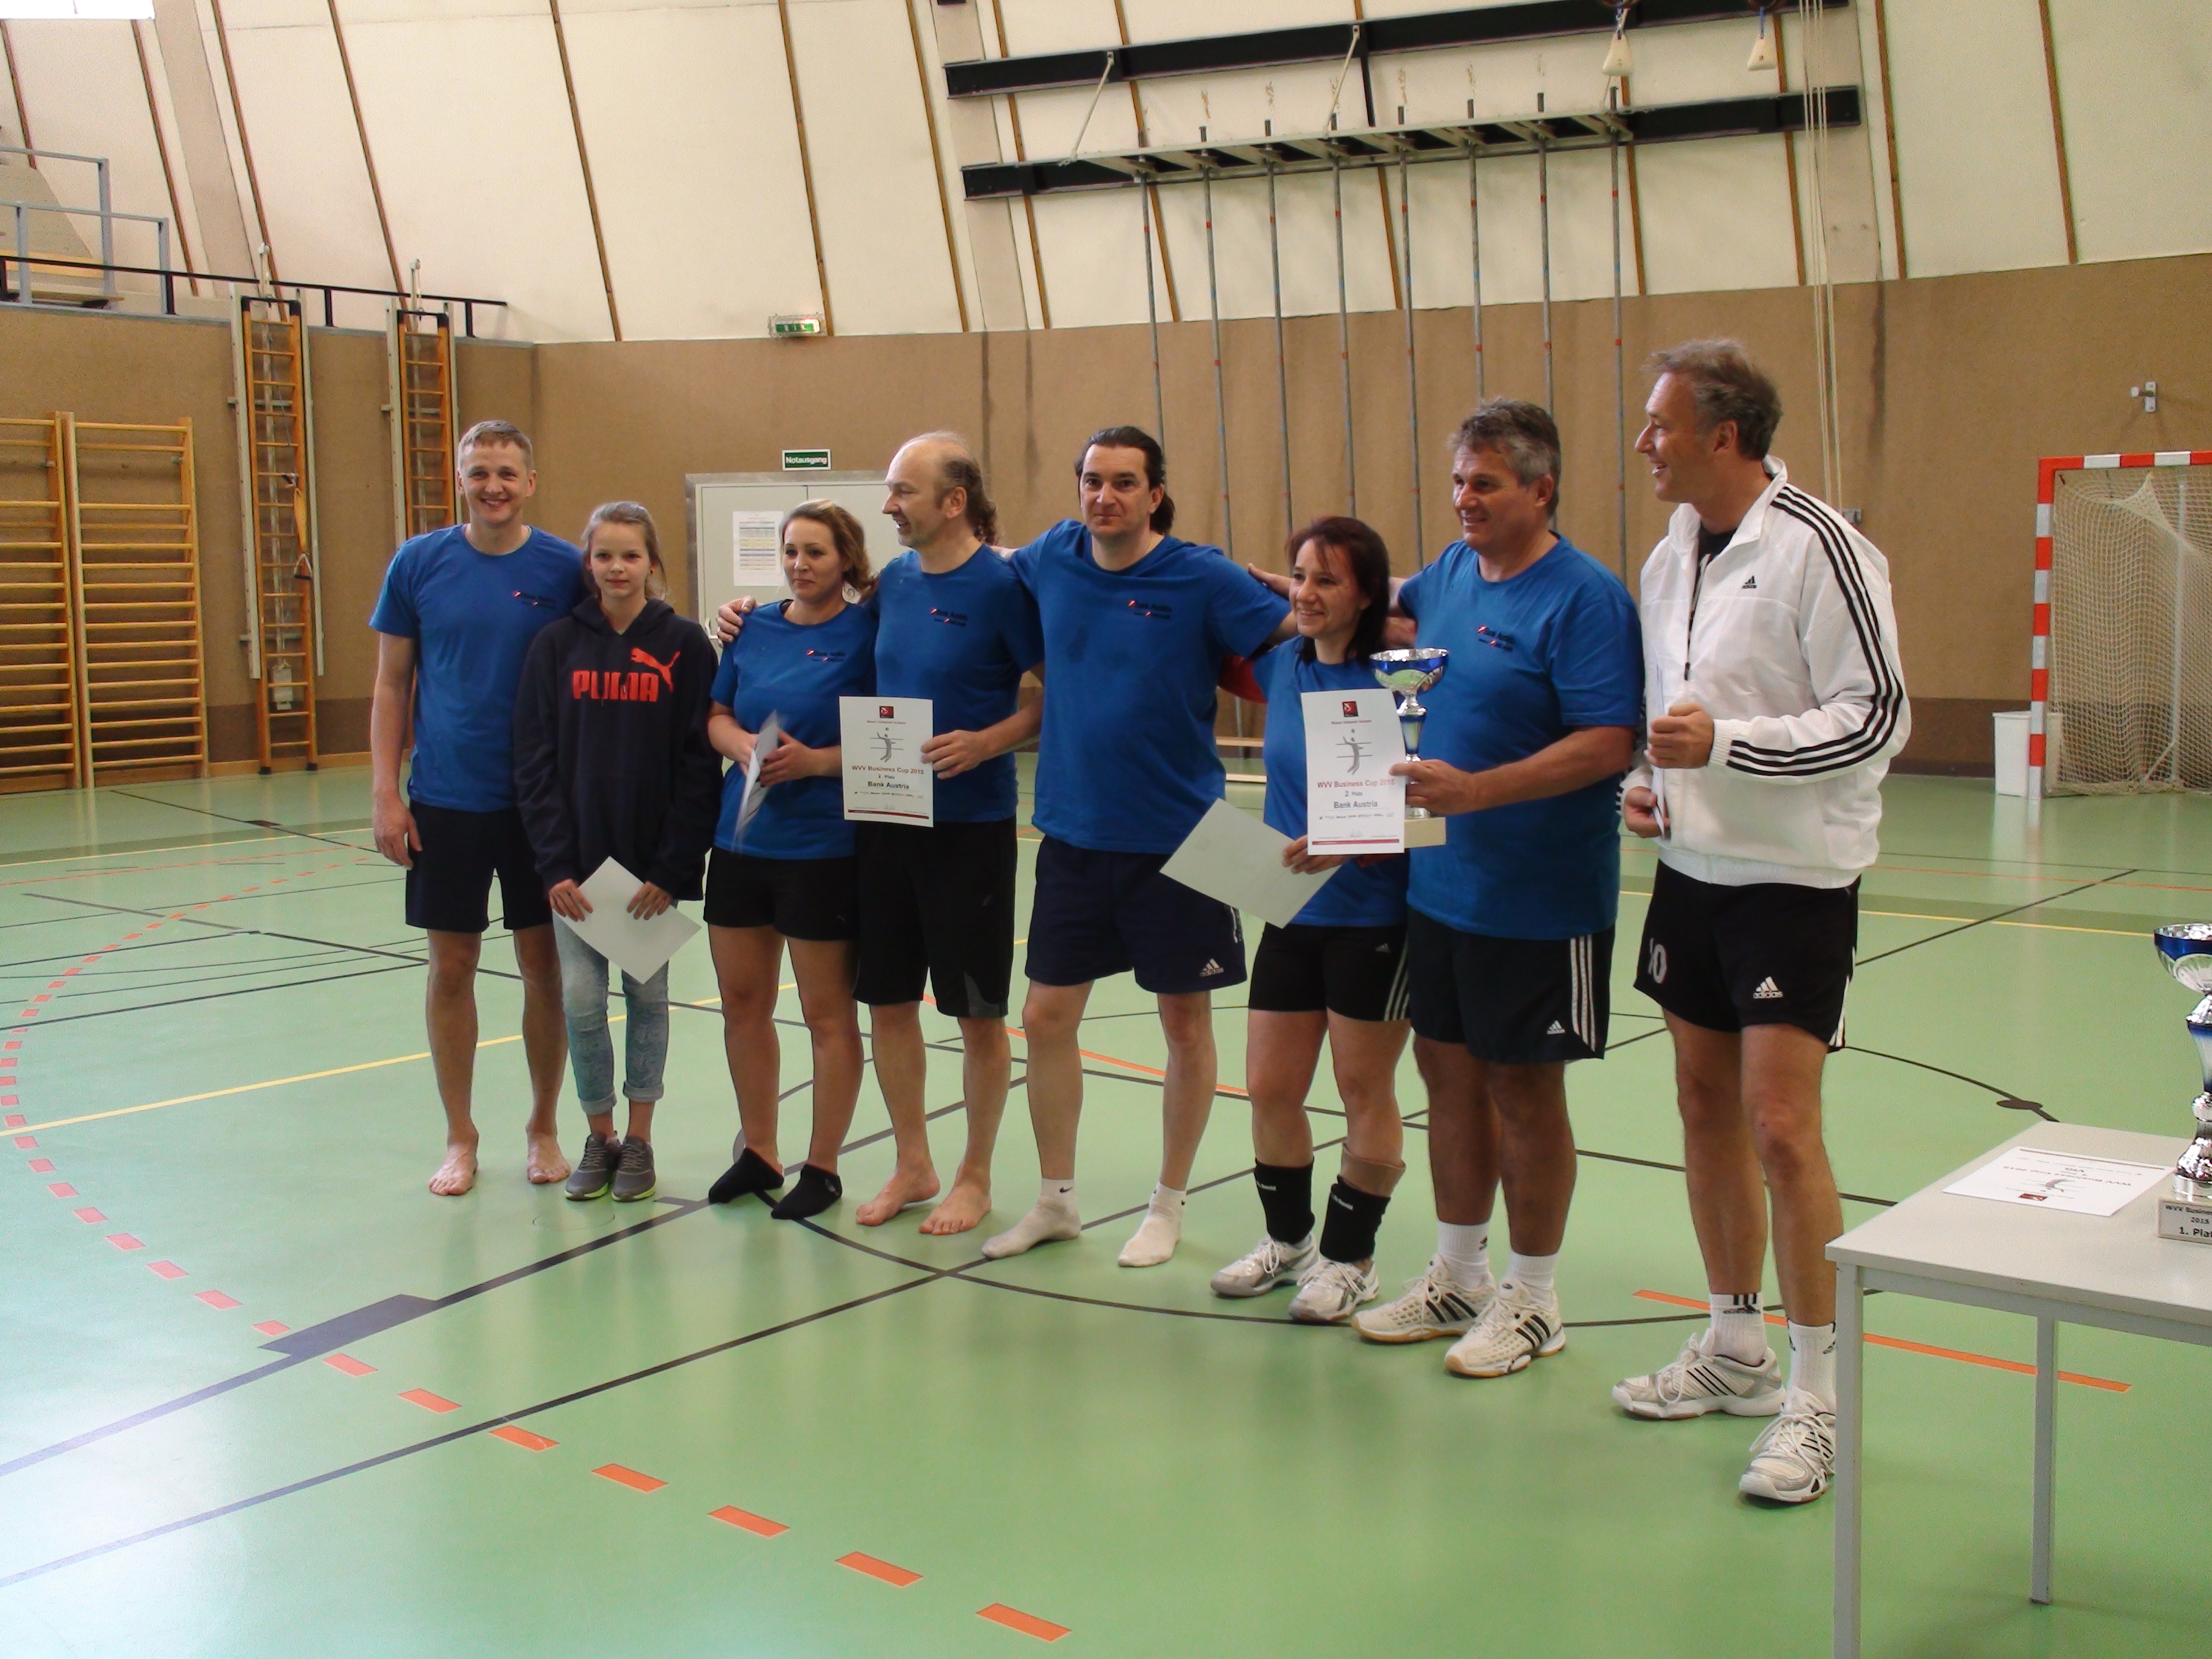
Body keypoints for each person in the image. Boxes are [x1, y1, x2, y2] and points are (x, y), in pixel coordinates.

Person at [1611, 341, 1908, 1505]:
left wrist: (1727, 749)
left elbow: (1876, 715)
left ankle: (1817, 1399)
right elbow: (1672, 713)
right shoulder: (1667, 556)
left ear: (1723, 435)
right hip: (1690, 873)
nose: (1645, 442)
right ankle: (1734, 1346)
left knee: (1780, 1128)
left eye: (1660, 424)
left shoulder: (1823, 548)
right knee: (1702, 1108)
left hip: (1793, 882)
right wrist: (1652, 786)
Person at [1349, 400, 1641, 1379]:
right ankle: (1459, 1273)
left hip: (1541, 899)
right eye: (1459, 481)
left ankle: (1534, 1297)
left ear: (1541, 490)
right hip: (1442, 888)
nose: (1465, 499)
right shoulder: (1447, 577)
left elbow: (1608, 742)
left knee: (1525, 1088)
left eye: (1486, 483)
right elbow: (1384, 612)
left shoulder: (1585, 599)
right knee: (1446, 1076)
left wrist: (1477, 791)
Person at [983, 427, 1293, 1267]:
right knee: (1045, 1017)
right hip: (1073, 835)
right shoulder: (1054, 556)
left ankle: (1168, 1204)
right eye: (1092, 481)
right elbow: (979, 563)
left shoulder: (1202, 575)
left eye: (1124, 482)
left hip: (1183, 838)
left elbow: (1301, 637)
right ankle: (1055, 1201)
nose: (1105, 496)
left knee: (1184, 1024)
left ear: (1155, 494)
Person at [369, 420, 583, 1197]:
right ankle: (460, 1136)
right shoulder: (418, 563)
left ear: (530, 482)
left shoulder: (566, 568)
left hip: (540, 806)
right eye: (479, 472)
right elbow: (393, 683)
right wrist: (386, 791)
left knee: (544, 968)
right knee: (451, 966)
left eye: (507, 473)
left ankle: (543, 1126)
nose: (493, 486)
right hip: (446, 800)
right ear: (460, 479)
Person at [1208, 517, 1412, 1323]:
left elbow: (1433, 808)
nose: (1307, 593)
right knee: (1269, 1086)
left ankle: (1350, 1258)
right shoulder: (1279, 666)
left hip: (1374, 914)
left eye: (1328, 580)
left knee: (1362, 1088)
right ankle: (1287, 1241)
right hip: (1291, 910)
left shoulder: (1401, 679)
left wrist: (1354, 842)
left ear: (1366, 594)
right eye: (1299, 576)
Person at [850, 435, 1044, 1234]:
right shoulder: (893, 582)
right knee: (888, 1002)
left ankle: (976, 1174)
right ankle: (913, 1163)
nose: (889, 505)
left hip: (969, 829)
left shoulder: (1003, 586)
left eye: (903, 491)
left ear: (954, 501)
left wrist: (988, 742)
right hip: (885, 819)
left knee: (977, 1013)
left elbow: (1050, 694)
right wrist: (742, 618)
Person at [512, 502, 721, 1206]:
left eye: (630, 555)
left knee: (647, 997)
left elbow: (699, 766)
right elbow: (533, 761)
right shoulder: (555, 645)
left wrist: (671, 869)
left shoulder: (684, 645)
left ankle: (639, 1137)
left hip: (646, 875)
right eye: (604, 555)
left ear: (651, 563)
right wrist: (554, 865)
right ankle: (598, 1136)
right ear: (589, 564)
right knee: (579, 1002)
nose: (617, 568)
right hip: (577, 873)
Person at [702, 502, 875, 1222]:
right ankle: (761, 1151)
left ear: (846, 560)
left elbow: (894, 738)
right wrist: (740, 745)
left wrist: (817, 762)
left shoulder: (868, 633)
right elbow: (717, 715)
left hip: (824, 850)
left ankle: (824, 1166)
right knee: (743, 1003)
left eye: (816, 553)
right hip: (741, 845)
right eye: (791, 551)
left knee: (825, 1013)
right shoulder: (752, 628)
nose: (800, 565)